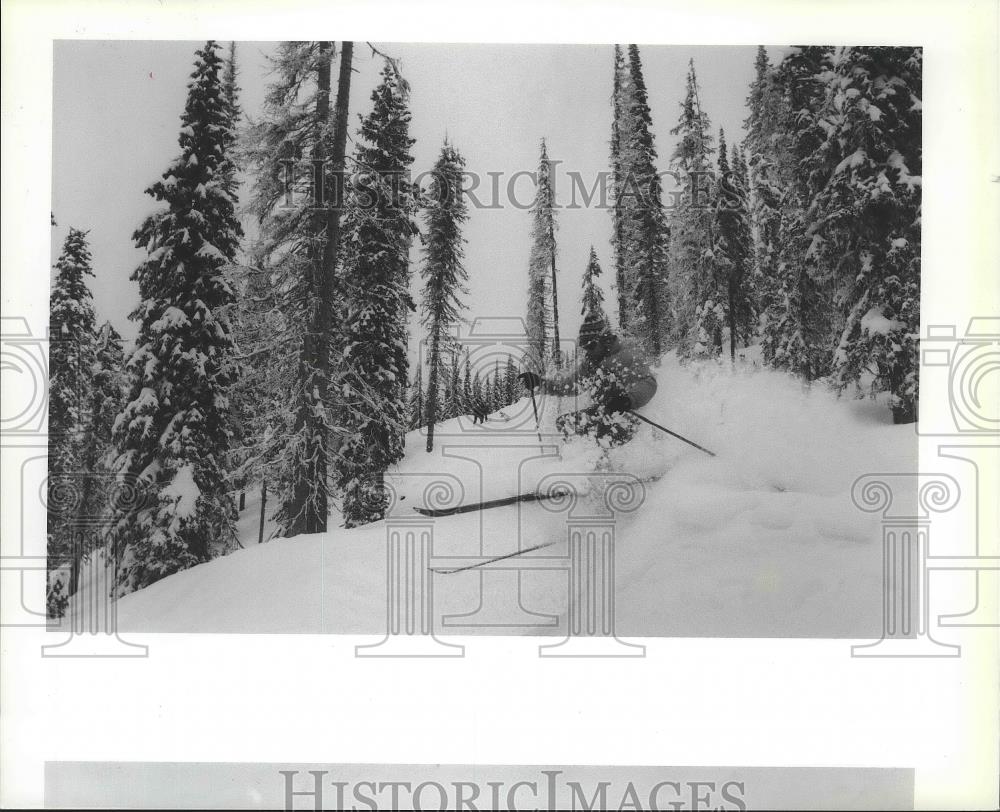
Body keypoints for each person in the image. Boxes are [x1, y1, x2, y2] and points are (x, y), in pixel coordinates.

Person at [549, 313, 657, 446]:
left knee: (602, 434)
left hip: (628, 416)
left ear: (604, 339)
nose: (588, 351)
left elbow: (648, 383)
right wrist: (539, 383)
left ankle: (605, 464)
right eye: (585, 347)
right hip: (602, 412)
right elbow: (572, 385)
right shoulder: (591, 362)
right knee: (565, 423)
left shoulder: (626, 356)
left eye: (591, 346)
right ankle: (574, 461)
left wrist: (628, 400)